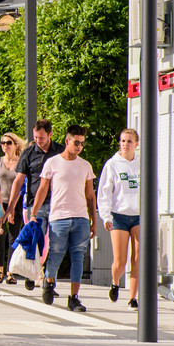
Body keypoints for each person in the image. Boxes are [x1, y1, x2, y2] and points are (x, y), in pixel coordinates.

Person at [30, 124, 96, 312]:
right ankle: (49, 282)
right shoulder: (52, 163)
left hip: (81, 218)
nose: (79, 146)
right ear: (67, 141)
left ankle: (74, 298)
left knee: (78, 257)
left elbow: (90, 195)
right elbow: (42, 189)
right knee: (56, 254)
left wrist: (94, 221)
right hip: (58, 217)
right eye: (76, 142)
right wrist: (34, 213)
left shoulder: (85, 165)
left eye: (82, 143)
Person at [9, 119, 64, 291]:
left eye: (41, 138)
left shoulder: (61, 152)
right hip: (36, 204)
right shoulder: (29, 153)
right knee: (37, 240)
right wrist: (11, 206)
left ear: (50, 134)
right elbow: (18, 181)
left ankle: (48, 279)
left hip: (58, 203)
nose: (38, 141)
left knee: (55, 243)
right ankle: (33, 272)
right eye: (36, 137)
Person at [96, 128, 141, 308]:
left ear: (136, 144)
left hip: (139, 216)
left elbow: (155, 187)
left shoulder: (142, 163)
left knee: (138, 258)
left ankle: (132, 297)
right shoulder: (112, 164)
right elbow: (104, 192)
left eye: (129, 141)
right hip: (119, 216)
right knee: (120, 260)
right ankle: (115, 282)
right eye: (122, 141)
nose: (125, 145)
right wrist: (106, 215)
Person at [0, 133, 26, 284]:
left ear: (15, 145)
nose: (5, 145)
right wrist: (0, 205)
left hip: (17, 203)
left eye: (8, 142)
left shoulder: (21, 162)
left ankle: (10, 271)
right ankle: (0, 270)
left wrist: (13, 206)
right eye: (3, 143)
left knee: (14, 237)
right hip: (0, 203)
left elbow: (22, 184)